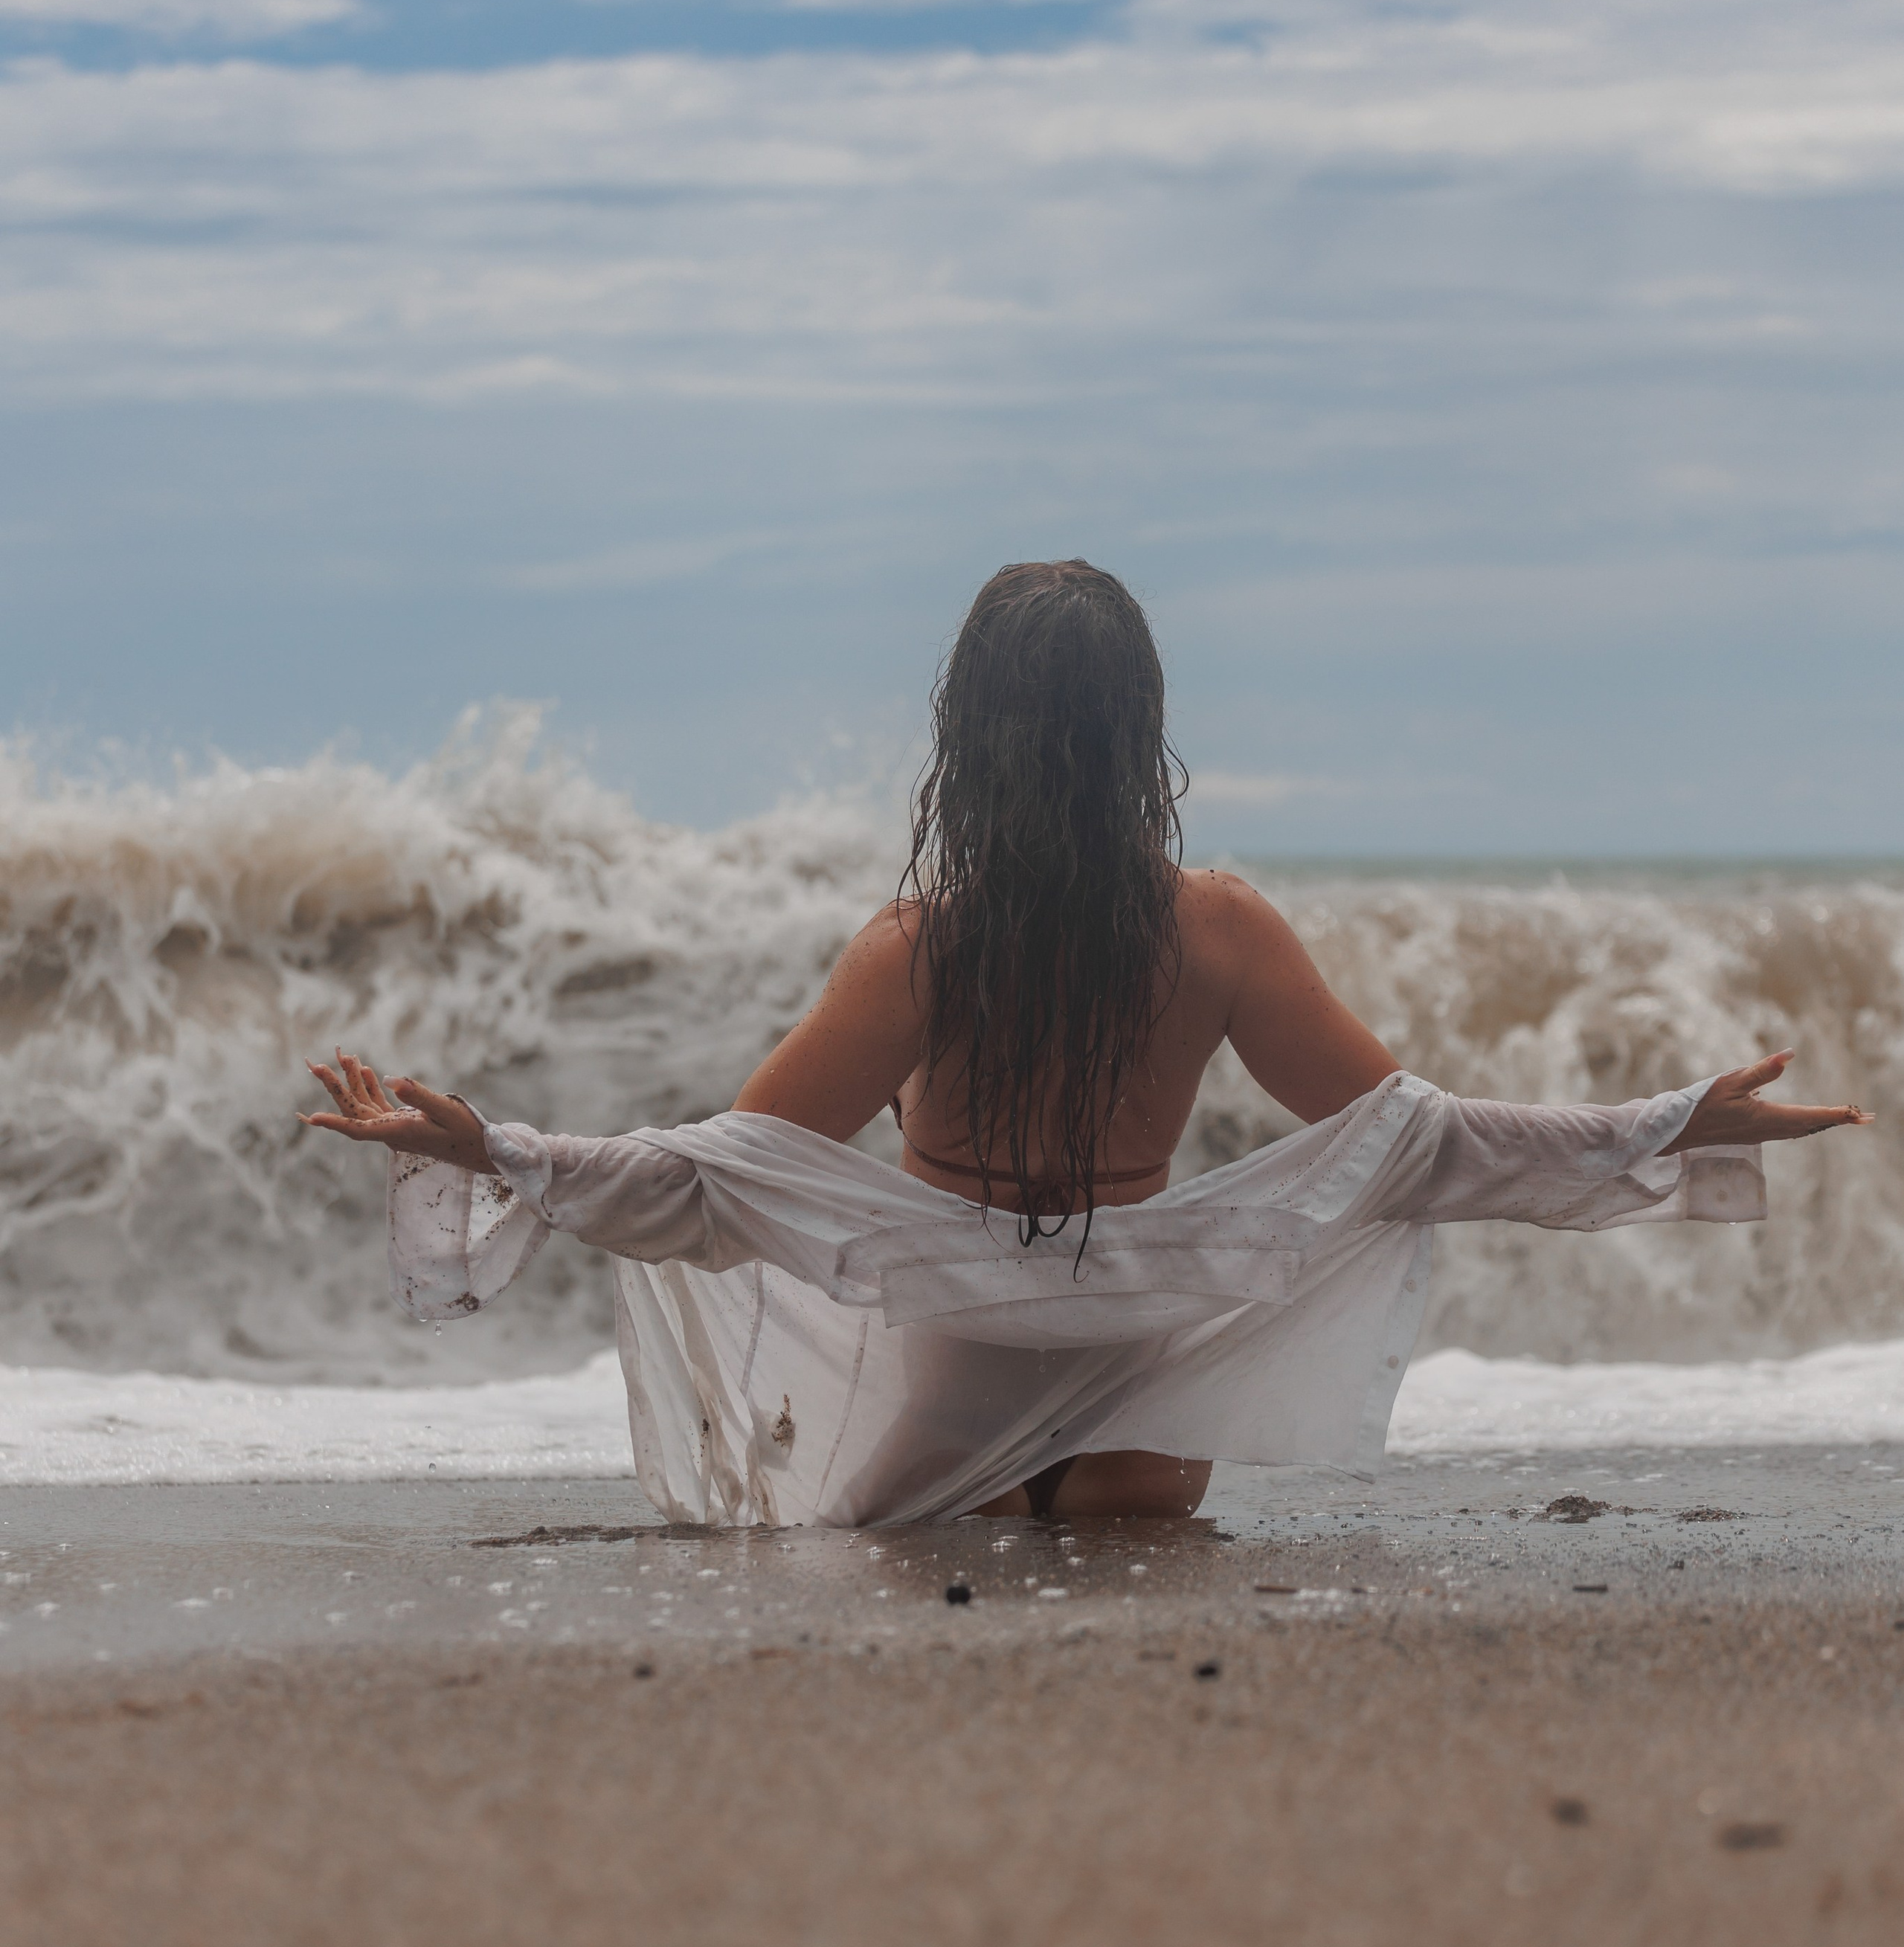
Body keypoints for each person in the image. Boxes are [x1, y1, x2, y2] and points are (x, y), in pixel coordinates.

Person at [303, 561, 1868, 1527]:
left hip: (950, 1407)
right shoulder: (1218, 931)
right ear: (1143, 733)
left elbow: (734, 1186)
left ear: (961, 738)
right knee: (1126, 1647)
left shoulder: (918, 951)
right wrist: (1664, 1127)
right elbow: (1413, 1144)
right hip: (1141, 1393)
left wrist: (497, 1152)